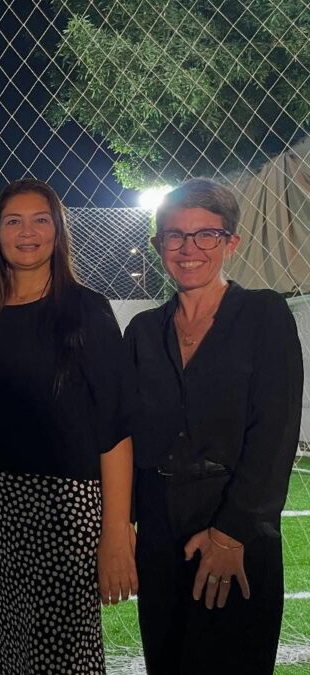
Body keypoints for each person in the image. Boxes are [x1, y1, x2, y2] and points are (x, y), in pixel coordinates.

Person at [0, 179, 136, 674]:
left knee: (64, 657)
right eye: (14, 221)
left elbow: (115, 428)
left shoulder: (87, 310)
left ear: (58, 231)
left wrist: (116, 531)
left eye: (40, 220)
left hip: (65, 511)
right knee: (5, 652)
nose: (27, 232)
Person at [125, 178, 302, 674]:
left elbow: (276, 433)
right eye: (175, 236)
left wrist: (230, 535)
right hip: (161, 533)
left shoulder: (264, 314)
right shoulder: (142, 332)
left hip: (237, 531)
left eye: (206, 234)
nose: (189, 249)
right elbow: (123, 434)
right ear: (159, 244)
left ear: (231, 242)